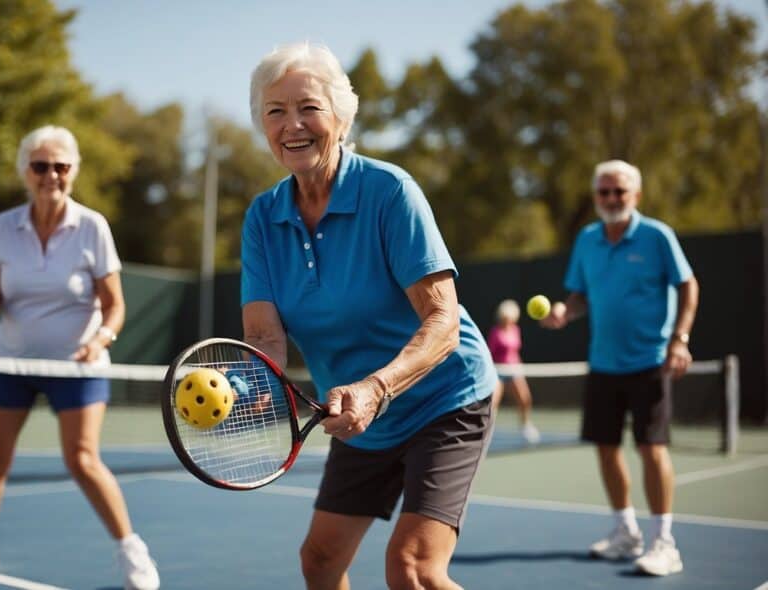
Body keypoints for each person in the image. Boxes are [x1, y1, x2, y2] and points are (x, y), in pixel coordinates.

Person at [241, 42, 497, 590]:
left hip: (442, 398)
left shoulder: (390, 192)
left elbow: (443, 323)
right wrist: (255, 381)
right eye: (275, 111)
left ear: (340, 114)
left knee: (412, 570)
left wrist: (377, 389)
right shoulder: (263, 217)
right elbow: (264, 335)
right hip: (358, 418)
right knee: (321, 561)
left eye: (309, 107)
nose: (293, 125)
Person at [0, 125, 159, 590]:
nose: (51, 175)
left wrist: (101, 338)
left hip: (77, 364)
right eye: (41, 166)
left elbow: (116, 304)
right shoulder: (4, 227)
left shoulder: (92, 227)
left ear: (73, 172)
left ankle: (131, 550)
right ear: (26, 171)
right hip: (13, 361)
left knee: (83, 459)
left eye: (61, 166)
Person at [540, 159, 698, 577]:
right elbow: (579, 297)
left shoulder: (657, 236)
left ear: (636, 196)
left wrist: (679, 339)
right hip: (603, 363)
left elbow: (688, 285)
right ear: (595, 197)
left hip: (650, 362)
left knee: (651, 448)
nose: (611, 199)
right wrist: (563, 312)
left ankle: (665, 542)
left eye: (619, 191)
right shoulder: (587, 240)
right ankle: (626, 532)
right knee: (606, 449)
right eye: (604, 192)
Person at [487, 299, 541, 444]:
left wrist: (518, 367)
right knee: (492, 403)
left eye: (509, 318)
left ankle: (525, 426)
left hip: (515, 369)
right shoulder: (495, 332)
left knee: (525, 399)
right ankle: (487, 430)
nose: (507, 320)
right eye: (505, 317)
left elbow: (515, 351)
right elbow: (490, 353)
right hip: (498, 371)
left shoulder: (516, 330)